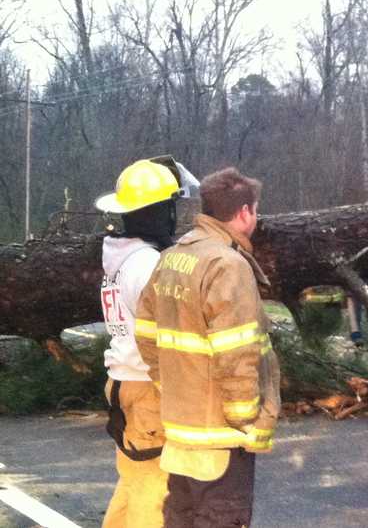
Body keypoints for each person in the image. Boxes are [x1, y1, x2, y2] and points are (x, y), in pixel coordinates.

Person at [135, 167, 280, 527]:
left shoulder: (172, 257)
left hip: (181, 432)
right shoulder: (227, 265)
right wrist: (245, 420)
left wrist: (172, 390)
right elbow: (238, 352)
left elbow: (146, 334)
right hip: (220, 439)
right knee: (219, 518)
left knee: (181, 518)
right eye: (255, 210)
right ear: (244, 212)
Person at [95, 159, 184, 528]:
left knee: (133, 480)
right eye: (170, 207)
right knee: (155, 484)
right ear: (156, 213)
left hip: (123, 381)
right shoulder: (147, 264)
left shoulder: (119, 260)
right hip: (148, 385)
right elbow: (168, 333)